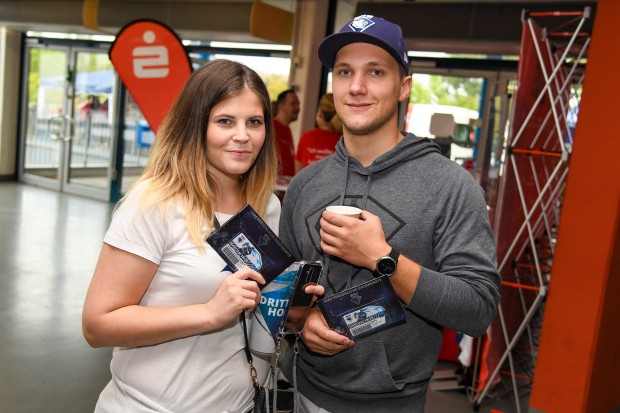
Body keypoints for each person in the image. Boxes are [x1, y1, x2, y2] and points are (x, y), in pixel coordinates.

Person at [277, 15, 501, 413]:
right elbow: (287, 289)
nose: (357, 86)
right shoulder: (305, 185)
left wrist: (382, 260)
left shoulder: (450, 186)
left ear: (404, 87)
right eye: (344, 72)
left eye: (375, 72)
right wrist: (300, 320)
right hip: (301, 392)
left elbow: (476, 309)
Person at [82, 59, 280, 413]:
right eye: (224, 121)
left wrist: (292, 306)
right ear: (196, 125)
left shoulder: (267, 206)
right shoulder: (155, 203)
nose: (242, 136)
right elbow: (98, 325)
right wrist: (208, 313)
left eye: (254, 122)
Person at [294, 93, 342, 173]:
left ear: (320, 114)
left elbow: (298, 173)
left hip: (308, 185)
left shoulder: (306, 137)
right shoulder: (345, 140)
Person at [273, 88, 300, 179]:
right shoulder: (272, 127)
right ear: (281, 106)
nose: (297, 108)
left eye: (298, 104)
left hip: (285, 188)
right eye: (293, 104)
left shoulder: (287, 129)